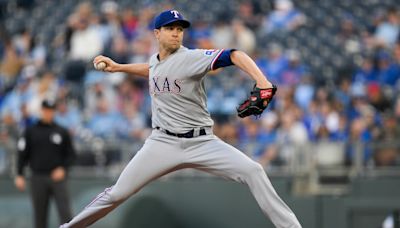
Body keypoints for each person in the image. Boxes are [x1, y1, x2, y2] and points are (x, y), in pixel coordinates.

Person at [61, 10, 302, 228]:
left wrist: (262, 82)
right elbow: (153, 69)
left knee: (253, 170)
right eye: (170, 28)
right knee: (117, 194)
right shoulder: (156, 60)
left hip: (203, 143)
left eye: (180, 29)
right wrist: (120, 67)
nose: (177, 33)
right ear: (157, 33)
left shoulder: (191, 58)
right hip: (162, 143)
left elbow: (235, 54)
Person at [15, 99, 76, 228]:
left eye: (51, 111)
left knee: (65, 214)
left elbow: (71, 155)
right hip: (37, 177)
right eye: (46, 110)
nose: (49, 113)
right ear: (41, 111)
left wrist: (63, 168)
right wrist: (19, 174)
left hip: (57, 178)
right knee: (40, 215)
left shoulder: (61, 131)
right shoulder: (31, 131)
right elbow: (22, 153)